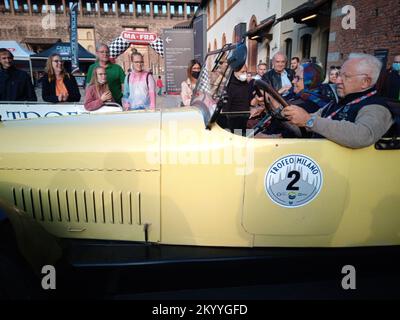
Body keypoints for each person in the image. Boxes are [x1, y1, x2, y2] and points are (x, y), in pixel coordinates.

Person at [280, 53, 393, 149]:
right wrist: (288, 117)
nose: (338, 80)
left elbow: (363, 135)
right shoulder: (339, 102)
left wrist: (309, 121)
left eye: (346, 76)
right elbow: (307, 122)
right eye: (338, 75)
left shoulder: (376, 107)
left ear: (365, 82)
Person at [221, 64, 251, 135]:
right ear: (235, 72)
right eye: (242, 72)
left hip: (245, 121)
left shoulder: (245, 84)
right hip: (233, 123)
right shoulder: (230, 87)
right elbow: (226, 109)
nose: (245, 74)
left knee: (246, 144)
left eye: (246, 72)